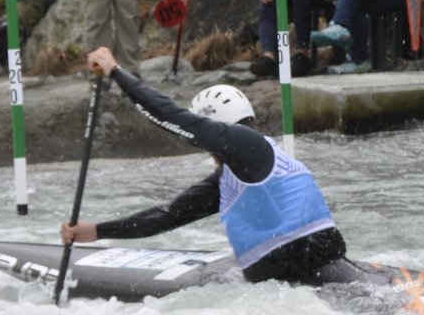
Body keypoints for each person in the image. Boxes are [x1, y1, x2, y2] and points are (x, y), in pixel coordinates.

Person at [62, 47, 348, 284]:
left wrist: (116, 71)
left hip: (290, 273)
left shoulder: (248, 145)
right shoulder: (232, 177)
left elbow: (170, 116)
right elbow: (166, 216)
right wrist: (96, 231)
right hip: (314, 266)